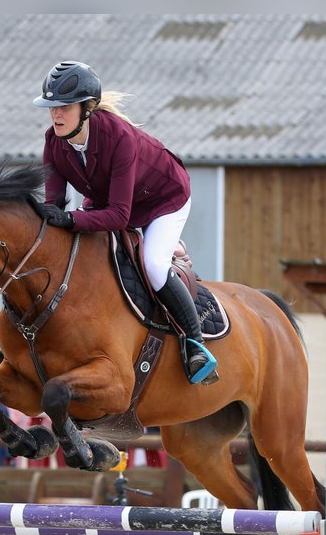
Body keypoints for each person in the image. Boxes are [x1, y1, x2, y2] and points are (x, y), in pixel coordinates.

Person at [32, 60, 215, 385]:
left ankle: (194, 342)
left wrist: (71, 217)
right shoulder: (53, 142)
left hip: (164, 199)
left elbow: (117, 216)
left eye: (64, 107)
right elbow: (55, 206)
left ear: (87, 109)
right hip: (114, 200)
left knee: (154, 264)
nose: (55, 115)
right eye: (51, 108)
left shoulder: (119, 138)